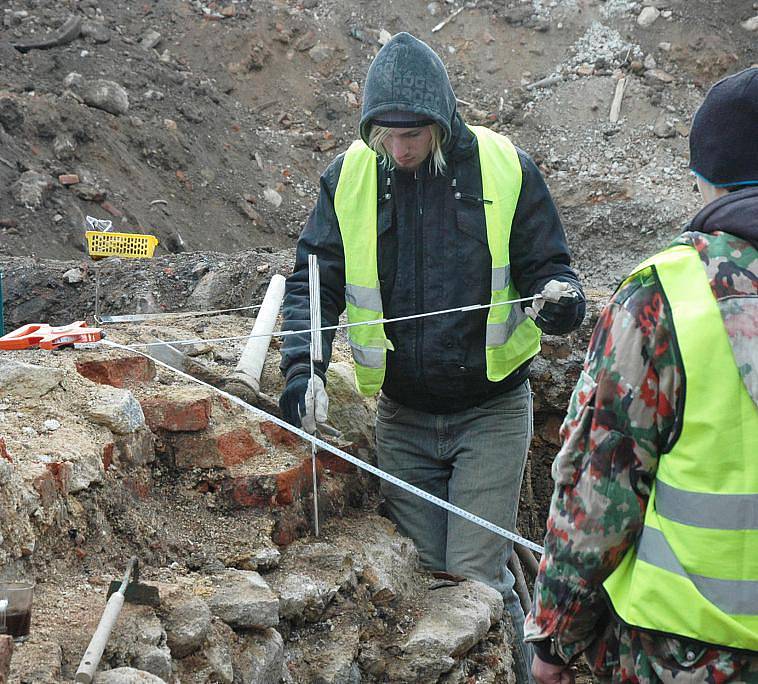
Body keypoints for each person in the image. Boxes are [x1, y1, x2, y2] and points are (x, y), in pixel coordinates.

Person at [278, 32, 585, 681]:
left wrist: (560, 303)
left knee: (472, 583)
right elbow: (315, 283)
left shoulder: (505, 167)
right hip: (404, 418)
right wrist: (302, 371)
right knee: (420, 587)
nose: (400, 147)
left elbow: (549, 268)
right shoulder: (351, 178)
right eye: (385, 134)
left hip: (491, 413)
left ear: (440, 121)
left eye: (412, 133)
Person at [525, 66, 758, 684]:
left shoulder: (664, 298)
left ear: (705, 179)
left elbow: (599, 491)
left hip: (685, 656)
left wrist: (555, 638)